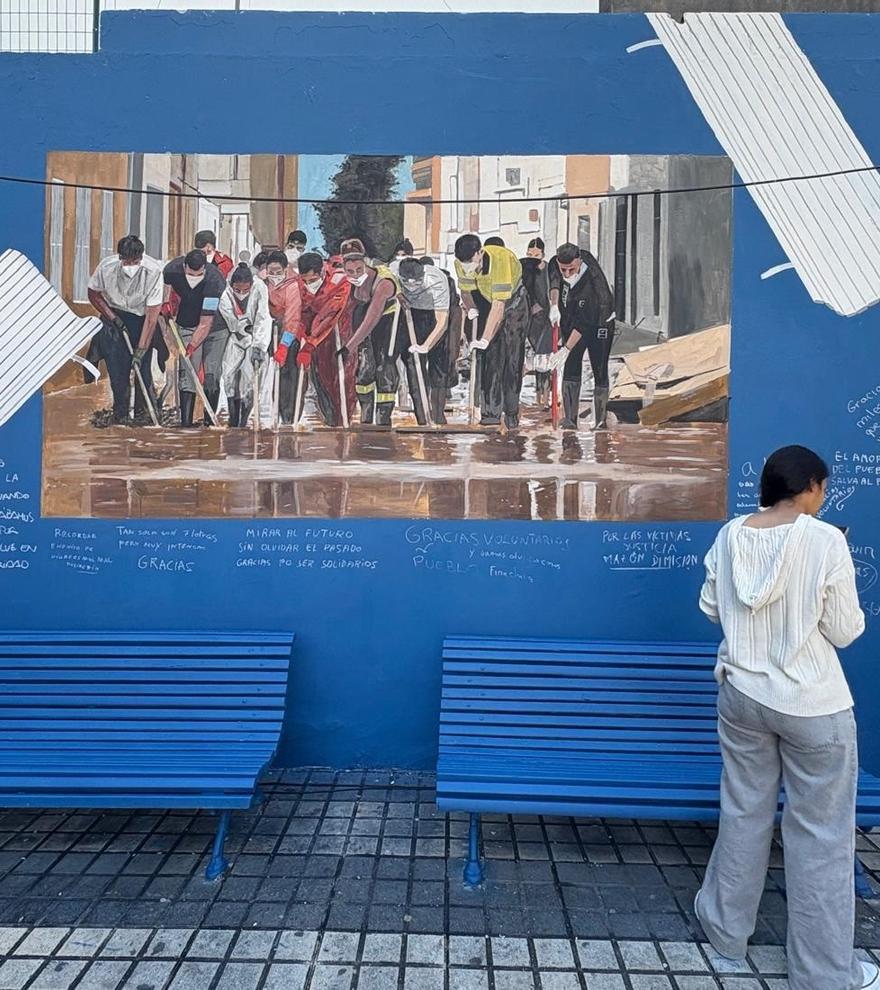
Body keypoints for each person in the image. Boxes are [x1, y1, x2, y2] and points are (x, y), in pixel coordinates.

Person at [697, 445, 874, 990]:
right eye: (823, 488)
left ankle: (726, 937)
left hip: (743, 696)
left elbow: (711, 607)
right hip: (812, 706)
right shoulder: (825, 541)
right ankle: (823, 974)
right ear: (812, 487)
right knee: (821, 837)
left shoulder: (729, 536)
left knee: (744, 812)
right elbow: (846, 631)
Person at [453, 234, 529, 429]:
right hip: (485, 298)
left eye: (471, 261)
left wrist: (486, 338)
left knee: (511, 360)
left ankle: (511, 413)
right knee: (489, 360)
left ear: (480, 252)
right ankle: (490, 415)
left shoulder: (501, 260)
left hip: (513, 302)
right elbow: (466, 290)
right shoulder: (461, 263)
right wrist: (470, 308)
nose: (468, 266)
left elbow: (499, 306)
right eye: (464, 263)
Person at [86, 234, 164, 424]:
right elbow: (93, 293)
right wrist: (113, 318)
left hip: (141, 319)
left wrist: (142, 349)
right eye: (126, 261)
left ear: (141, 258)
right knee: (117, 370)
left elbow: (152, 317)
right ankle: (120, 415)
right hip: (114, 316)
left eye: (134, 262)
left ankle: (142, 413)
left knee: (142, 369)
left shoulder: (153, 271)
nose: (130, 266)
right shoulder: (107, 267)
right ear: (119, 257)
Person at [547, 243, 615, 430]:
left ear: (580, 261)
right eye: (564, 269)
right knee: (572, 365)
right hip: (571, 319)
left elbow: (584, 323)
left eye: (571, 269)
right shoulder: (555, 263)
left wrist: (565, 349)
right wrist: (554, 305)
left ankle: (600, 420)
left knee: (599, 367)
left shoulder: (593, 283)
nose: (567, 274)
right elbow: (554, 280)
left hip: (600, 323)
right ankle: (570, 419)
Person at [335, 240, 400, 426]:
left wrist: (349, 347)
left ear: (366, 263)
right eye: (350, 271)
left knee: (384, 366)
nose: (355, 275)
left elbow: (371, 319)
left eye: (359, 269)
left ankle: (383, 418)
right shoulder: (344, 280)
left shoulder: (384, 283)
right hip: (362, 312)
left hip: (387, 318)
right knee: (364, 367)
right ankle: (366, 414)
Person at [162, 249, 227, 427]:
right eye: (190, 274)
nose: (193, 279)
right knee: (187, 373)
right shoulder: (172, 269)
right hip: (187, 323)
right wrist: (165, 303)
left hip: (216, 330)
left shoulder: (215, 281)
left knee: (212, 373)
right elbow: (165, 287)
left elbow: (206, 322)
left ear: (205, 269)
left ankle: (209, 422)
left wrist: (192, 346)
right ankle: (186, 424)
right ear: (184, 267)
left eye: (198, 275)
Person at [392, 256, 454, 424]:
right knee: (414, 363)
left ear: (422, 276)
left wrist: (426, 346)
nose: (411, 287)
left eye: (416, 283)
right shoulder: (393, 271)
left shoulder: (437, 281)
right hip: (411, 313)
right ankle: (422, 417)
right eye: (407, 283)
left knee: (439, 362)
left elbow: (442, 322)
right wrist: (398, 293)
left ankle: (438, 414)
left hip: (435, 313)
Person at [297, 251, 355, 426]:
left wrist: (310, 344)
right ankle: (332, 423)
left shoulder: (340, 281)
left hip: (339, 334)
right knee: (321, 378)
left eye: (312, 280)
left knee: (342, 379)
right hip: (314, 339)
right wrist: (303, 337)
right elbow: (298, 312)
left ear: (322, 271)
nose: (308, 284)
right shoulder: (299, 284)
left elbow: (329, 315)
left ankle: (343, 421)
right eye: (305, 280)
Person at [216, 263, 272, 427]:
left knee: (251, 380)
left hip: (256, 339)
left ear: (251, 285)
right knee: (229, 376)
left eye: (244, 290)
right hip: (237, 338)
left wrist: (259, 346)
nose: (241, 293)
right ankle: (233, 419)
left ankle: (244, 419)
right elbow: (230, 319)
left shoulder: (260, 288)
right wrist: (242, 327)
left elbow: (263, 317)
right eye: (237, 290)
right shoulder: (226, 294)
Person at [264, 250, 304, 424]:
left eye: (278, 272)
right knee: (276, 373)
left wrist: (284, 345)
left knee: (289, 371)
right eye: (271, 272)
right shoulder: (262, 281)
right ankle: (278, 411)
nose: (274, 276)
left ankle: (290, 415)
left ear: (285, 268)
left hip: (292, 331)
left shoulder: (293, 285)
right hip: (270, 328)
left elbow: (293, 317)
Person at [521, 237, 554, 408]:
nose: (533, 257)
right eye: (529, 254)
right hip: (531, 318)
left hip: (546, 318)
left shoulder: (548, 269)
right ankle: (538, 396)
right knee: (536, 355)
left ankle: (545, 396)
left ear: (542, 254)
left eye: (536, 254)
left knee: (545, 357)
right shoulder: (525, 269)